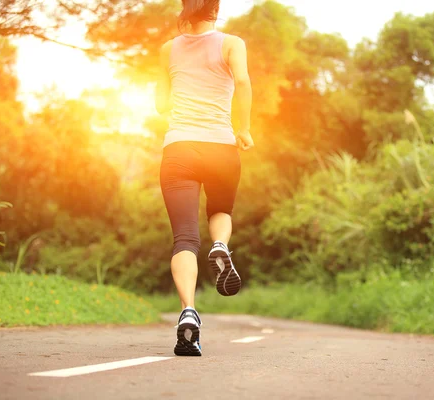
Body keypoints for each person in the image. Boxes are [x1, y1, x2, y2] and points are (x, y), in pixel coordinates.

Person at [155, 0, 254, 357]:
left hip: (179, 148)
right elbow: (242, 82)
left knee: (184, 238)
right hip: (221, 148)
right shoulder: (232, 43)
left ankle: (188, 311)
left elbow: (159, 104)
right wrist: (243, 130)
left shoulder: (168, 49)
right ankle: (221, 246)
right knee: (220, 210)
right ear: (215, 8)